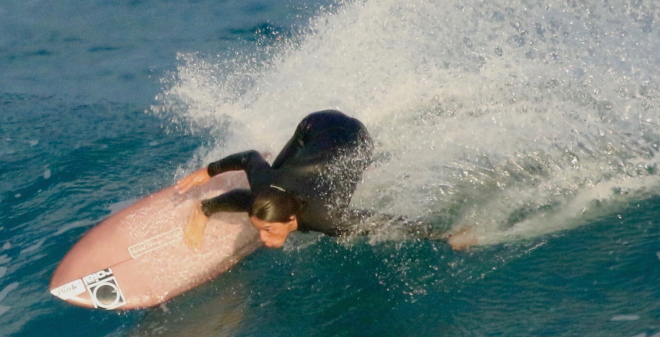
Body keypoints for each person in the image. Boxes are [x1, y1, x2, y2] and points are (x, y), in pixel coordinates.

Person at [176, 110, 476, 250]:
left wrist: (444, 236)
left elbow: (386, 222)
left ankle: (212, 206)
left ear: (293, 218)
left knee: (339, 174)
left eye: (268, 230)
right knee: (271, 177)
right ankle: (205, 209)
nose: (263, 238)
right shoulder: (264, 186)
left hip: (350, 136)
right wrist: (209, 170)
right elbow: (249, 157)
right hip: (316, 131)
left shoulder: (327, 219)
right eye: (262, 230)